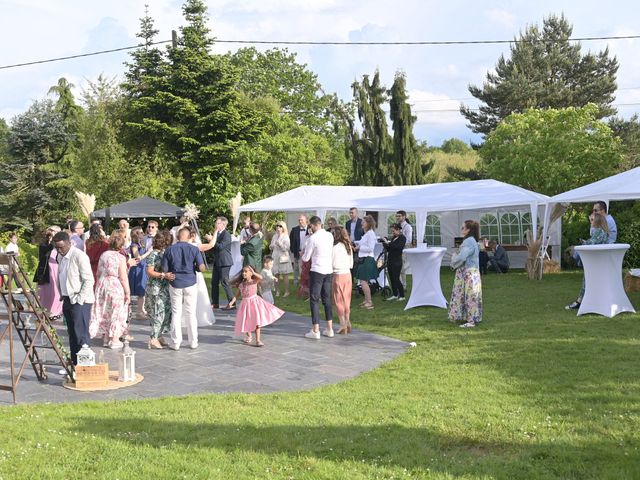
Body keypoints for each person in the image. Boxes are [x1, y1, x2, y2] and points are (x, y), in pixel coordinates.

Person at [52, 231, 94, 364]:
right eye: (57, 247)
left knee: (81, 334)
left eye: (62, 247)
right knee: (72, 334)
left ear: (69, 243)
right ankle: (75, 363)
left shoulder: (79, 256)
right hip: (67, 298)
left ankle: (85, 366)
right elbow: (62, 275)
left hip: (79, 300)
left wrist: (79, 299)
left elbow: (89, 280)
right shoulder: (60, 256)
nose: (59, 250)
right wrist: (62, 294)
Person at [162, 226, 206, 350]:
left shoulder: (169, 249)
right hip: (190, 282)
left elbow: (165, 269)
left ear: (177, 236)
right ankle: (193, 342)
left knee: (176, 313)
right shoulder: (194, 249)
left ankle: (176, 342)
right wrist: (195, 268)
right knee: (191, 313)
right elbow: (202, 267)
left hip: (175, 282)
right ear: (189, 237)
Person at [89, 231, 131, 349]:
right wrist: (127, 292)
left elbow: (98, 273)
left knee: (105, 310)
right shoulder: (121, 257)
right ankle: (115, 339)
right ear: (121, 245)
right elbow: (123, 277)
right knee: (116, 312)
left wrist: (98, 285)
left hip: (102, 284)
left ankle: (106, 337)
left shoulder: (104, 255)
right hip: (114, 284)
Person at [231, 265, 284, 347]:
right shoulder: (242, 285)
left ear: (251, 273)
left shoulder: (254, 281)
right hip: (245, 304)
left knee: (257, 322)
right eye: (243, 272)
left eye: (246, 271)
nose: (244, 273)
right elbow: (237, 295)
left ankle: (258, 340)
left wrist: (254, 272)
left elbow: (261, 277)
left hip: (254, 304)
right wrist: (232, 302)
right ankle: (249, 335)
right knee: (245, 321)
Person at [565, 213, 610, 310]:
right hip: (599, 261)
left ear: (598, 221)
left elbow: (591, 244)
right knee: (587, 279)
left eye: (592, 220)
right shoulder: (602, 232)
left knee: (587, 279)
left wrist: (583, 243)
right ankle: (581, 300)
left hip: (595, 262)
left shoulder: (599, 232)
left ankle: (579, 301)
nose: (591, 222)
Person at [302, 216, 334, 339]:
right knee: (326, 299)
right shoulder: (329, 235)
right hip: (328, 269)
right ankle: (329, 328)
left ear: (314, 225)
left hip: (317, 270)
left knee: (314, 299)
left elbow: (306, 257)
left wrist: (303, 252)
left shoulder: (313, 238)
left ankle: (316, 330)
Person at [448, 220, 483, 328]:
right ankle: (467, 317)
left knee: (469, 296)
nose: (461, 229)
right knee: (468, 295)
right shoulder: (472, 241)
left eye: (463, 228)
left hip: (468, 273)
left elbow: (462, 257)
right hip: (472, 272)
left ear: (469, 229)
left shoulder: (468, 241)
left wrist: (453, 258)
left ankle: (471, 321)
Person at [144, 230, 174, 349]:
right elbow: (149, 271)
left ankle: (159, 335)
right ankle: (153, 338)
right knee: (158, 312)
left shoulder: (163, 253)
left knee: (166, 312)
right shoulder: (153, 254)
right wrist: (163, 275)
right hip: (155, 288)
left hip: (163, 287)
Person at [187, 227, 217, 326]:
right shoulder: (195, 246)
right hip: (195, 273)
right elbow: (211, 244)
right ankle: (199, 317)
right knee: (198, 295)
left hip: (185, 275)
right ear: (193, 236)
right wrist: (216, 231)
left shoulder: (179, 245)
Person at [34, 226, 63, 320]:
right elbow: (46, 249)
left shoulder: (60, 244)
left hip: (56, 269)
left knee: (56, 291)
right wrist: (52, 239)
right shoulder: (44, 244)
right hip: (45, 270)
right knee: (44, 292)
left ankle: (55, 312)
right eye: (52, 231)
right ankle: (43, 311)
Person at [332, 226, 353, 334]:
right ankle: (348, 321)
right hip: (348, 274)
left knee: (338, 300)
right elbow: (351, 263)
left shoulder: (335, 248)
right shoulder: (348, 245)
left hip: (338, 274)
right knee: (346, 299)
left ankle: (342, 323)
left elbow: (333, 263)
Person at [354, 215, 378, 310]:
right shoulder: (367, 233)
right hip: (364, 259)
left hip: (367, 259)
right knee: (363, 281)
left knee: (364, 281)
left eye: (363, 222)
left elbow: (371, 248)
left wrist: (360, 247)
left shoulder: (371, 234)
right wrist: (357, 245)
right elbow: (363, 243)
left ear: (368, 223)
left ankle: (369, 302)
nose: (362, 224)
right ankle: (366, 300)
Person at [211, 216, 234, 309]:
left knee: (225, 282)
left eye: (218, 223)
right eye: (216, 223)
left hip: (225, 262)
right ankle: (215, 302)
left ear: (223, 224)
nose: (216, 225)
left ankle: (232, 302)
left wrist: (211, 240)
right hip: (217, 261)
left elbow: (220, 247)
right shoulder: (216, 233)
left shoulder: (226, 235)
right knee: (214, 282)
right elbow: (213, 248)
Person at [128, 226, 152, 319]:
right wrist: (149, 252)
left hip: (142, 268)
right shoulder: (134, 245)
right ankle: (137, 312)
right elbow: (138, 257)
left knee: (142, 291)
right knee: (139, 291)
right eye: (141, 232)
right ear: (136, 235)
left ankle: (140, 310)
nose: (143, 234)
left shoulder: (141, 244)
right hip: (137, 269)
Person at [382, 223, 407, 301]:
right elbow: (390, 249)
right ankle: (395, 294)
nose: (392, 233)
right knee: (392, 278)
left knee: (396, 278)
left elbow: (398, 248)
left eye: (393, 231)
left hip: (397, 260)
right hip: (390, 260)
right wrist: (385, 244)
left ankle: (402, 295)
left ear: (398, 230)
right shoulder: (393, 238)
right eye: (392, 231)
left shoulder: (402, 238)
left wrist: (389, 243)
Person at [270, 221, 292, 297]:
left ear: (283, 228)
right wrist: (272, 246)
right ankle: (277, 291)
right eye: (277, 226)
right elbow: (271, 246)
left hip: (283, 257)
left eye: (280, 226)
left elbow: (286, 248)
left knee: (285, 275)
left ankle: (287, 291)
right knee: (276, 274)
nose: (278, 227)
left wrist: (279, 244)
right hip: (275, 257)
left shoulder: (286, 236)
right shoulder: (274, 236)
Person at [395, 211, 413, 288]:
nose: (397, 217)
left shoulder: (408, 227)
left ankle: (403, 285)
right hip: (397, 248)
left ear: (404, 216)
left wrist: (399, 243)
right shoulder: (397, 226)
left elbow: (409, 240)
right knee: (397, 267)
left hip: (404, 248)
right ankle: (399, 284)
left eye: (399, 216)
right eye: (397, 216)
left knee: (401, 267)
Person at [289, 214, 308, 285]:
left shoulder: (310, 229)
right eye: (299, 220)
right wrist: (293, 251)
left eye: (302, 220)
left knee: (306, 268)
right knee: (296, 267)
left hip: (307, 252)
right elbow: (291, 240)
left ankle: (305, 281)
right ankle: (296, 281)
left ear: (306, 220)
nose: (300, 221)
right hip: (297, 252)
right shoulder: (294, 230)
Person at [298, 226, 312, 299]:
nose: (310, 230)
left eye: (311, 228)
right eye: (309, 229)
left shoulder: (316, 237)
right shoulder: (306, 237)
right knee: (305, 277)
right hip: (306, 260)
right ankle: (307, 293)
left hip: (313, 260)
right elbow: (302, 248)